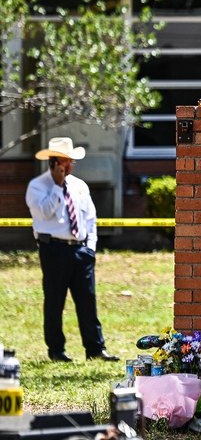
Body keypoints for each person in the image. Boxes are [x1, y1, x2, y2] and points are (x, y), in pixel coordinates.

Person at [25, 137, 119, 363]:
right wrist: (57, 187)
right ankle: (56, 350)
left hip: (81, 250)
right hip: (54, 249)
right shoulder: (37, 187)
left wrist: (91, 248)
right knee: (55, 301)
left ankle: (95, 348)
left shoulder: (79, 185)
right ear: (56, 162)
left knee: (88, 300)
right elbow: (45, 213)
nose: (72, 165)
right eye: (68, 161)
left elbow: (90, 218)